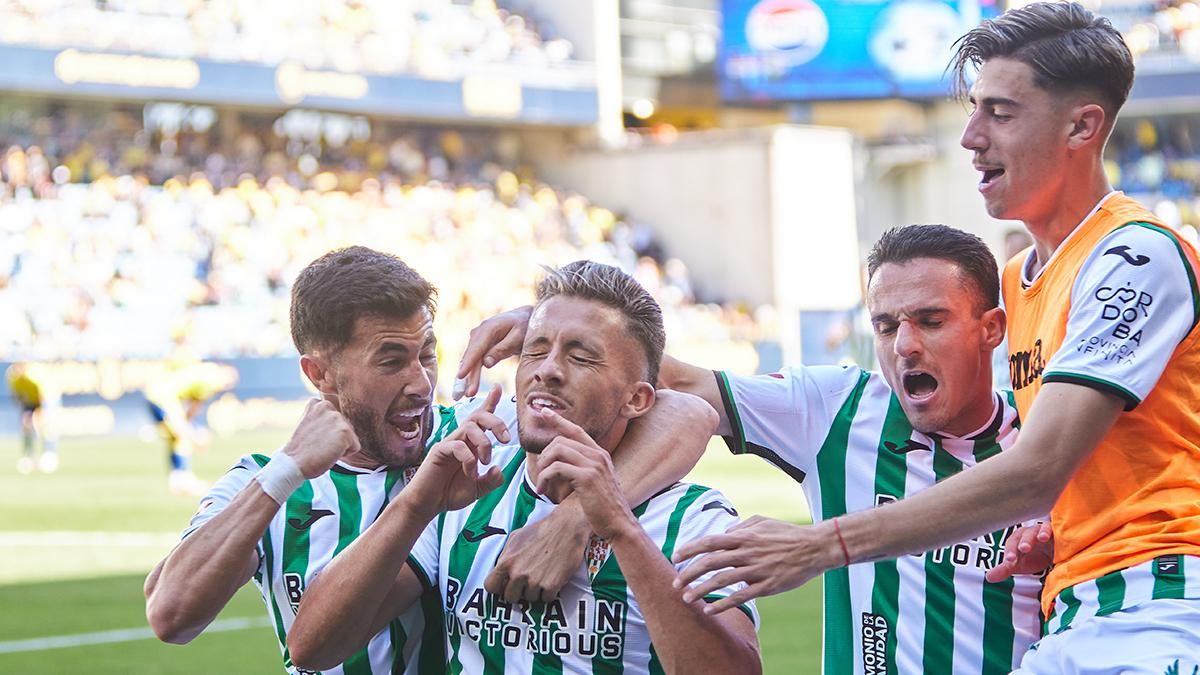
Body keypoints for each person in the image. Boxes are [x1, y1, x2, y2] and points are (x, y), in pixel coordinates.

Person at [669, 4, 1200, 672]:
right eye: (974, 110)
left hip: (1159, 608)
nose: (970, 136)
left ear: (1082, 125)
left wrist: (821, 545)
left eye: (1001, 112)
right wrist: (1060, 528)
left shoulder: (1134, 255)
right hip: (1080, 615)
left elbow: (1038, 468)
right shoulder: (1022, 277)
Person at [455, 226, 1047, 674]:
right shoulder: (839, 409)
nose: (906, 345)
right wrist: (545, 324)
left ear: (991, 328)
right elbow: (678, 391)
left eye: (932, 320)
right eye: (887, 326)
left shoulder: (1052, 444)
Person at [144, 247, 710, 675]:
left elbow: (686, 414)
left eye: (428, 354)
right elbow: (172, 615)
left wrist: (574, 520)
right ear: (318, 374)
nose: (420, 384)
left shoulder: (473, 439)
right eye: (391, 360)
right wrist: (287, 469)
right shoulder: (264, 481)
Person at [287, 260, 761, 674]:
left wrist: (613, 526)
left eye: (581, 356)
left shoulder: (693, 521)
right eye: (534, 349)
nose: (547, 369)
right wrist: (415, 503)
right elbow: (313, 646)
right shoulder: (471, 487)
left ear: (637, 399)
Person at [143, 360, 238, 495]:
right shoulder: (212, 380)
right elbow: (194, 406)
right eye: (230, 377)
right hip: (163, 398)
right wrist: (191, 431)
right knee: (183, 436)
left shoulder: (206, 370)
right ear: (224, 371)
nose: (230, 384)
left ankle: (178, 479)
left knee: (178, 438)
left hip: (157, 394)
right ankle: (183, 479)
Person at [6, 361, 59, 474]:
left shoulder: (34, 377)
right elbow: (18, 396)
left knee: (44, 425)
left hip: (46, 398)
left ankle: (49, 454)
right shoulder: (12, 376)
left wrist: (40, 415)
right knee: (26, 426)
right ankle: (28, 456)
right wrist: (26, 416)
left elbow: (44, 398)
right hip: (29, 401)